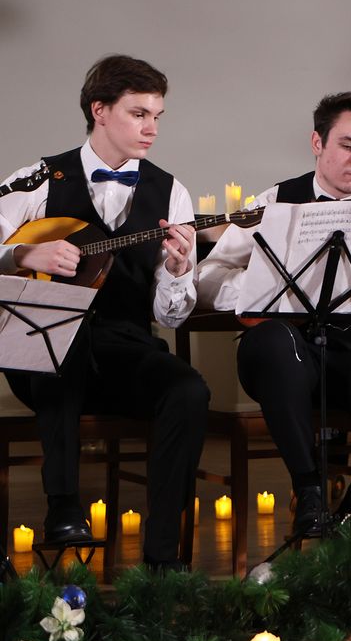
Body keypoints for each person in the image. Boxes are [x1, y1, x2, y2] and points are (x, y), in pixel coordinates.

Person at [0, 55, 209, 570]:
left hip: (123, 352)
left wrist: (178, 270)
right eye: (139, 114)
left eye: (157, 116)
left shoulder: (171, 192)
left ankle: (163, 560)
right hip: (41, 354)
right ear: (99, 110)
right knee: (65, 339)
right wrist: (24, 254)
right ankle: (64, 508)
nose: (152, 128)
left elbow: (171, 317)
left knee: (188, 390)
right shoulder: (39, 178)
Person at [197, 92, 351, 536]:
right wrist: (260, 289)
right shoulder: (275, 201)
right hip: (284, 359)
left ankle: (348, 523)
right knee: (275, 341)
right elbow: (208, 276)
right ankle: (309, 493)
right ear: (317, 143)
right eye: (348, 145)